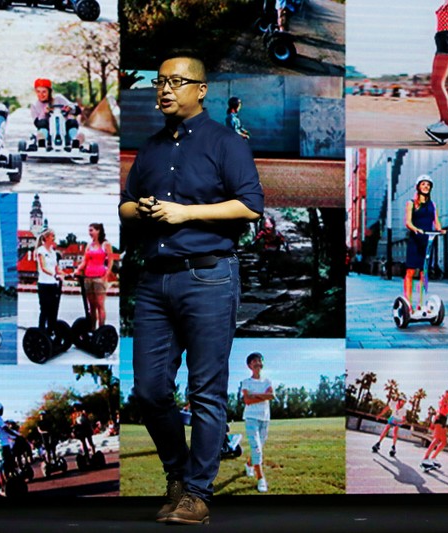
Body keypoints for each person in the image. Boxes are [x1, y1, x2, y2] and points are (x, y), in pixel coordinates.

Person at [119, 52, 264, 525]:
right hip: (155, 279)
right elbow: (123, 207)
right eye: (160, 81)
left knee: (206, 391)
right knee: (149, 390)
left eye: (176, 82)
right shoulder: (150, 149)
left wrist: (185, 213)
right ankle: (178, 476)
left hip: (209, 276)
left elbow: (249, 208)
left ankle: (197, 495)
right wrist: (141, 209)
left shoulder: (227, 143)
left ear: (201, 90)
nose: (164, 89)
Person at [424, 0, 448, 143]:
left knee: (438, 84)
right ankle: (443, 122)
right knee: (434, 84)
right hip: (441, 41)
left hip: (446, 40)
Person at [404, 175, 445, 312]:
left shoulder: (432, 205)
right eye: (423, 184)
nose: (426, 186)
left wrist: (440, 229)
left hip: (427, 240)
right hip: (415, 239)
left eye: (428, 184)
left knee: (424, 273)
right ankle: (408, 304)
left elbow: (436, 221)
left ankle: (420, 304)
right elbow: (408, 222)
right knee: (410, 271)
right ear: (418, 187)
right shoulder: (411, 203)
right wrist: (416, 229)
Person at [240, 352, 275, 493]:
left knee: (259, 447)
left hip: (265, 418)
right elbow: (247, 401)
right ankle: (261, 478)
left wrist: (254, 395)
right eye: (254, 361)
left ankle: (249, 465)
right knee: (256, 448)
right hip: (250, 418)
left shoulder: (267, 381)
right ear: (249, 365)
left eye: (260, 360)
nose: (258, 363)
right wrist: (263, 396)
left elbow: (272, 395)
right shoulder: (246, 382)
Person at [74, 223, 112, 330]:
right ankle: (92, 329)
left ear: (98, 231)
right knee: (91, 306)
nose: (90, 233)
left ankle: (101, 330)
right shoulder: (89, 246)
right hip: (88, 277)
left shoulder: (105, 244)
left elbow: (110, 261)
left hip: (99, 277)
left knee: (100, 305)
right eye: (89, 230)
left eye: (91, 230)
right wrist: (77, 270)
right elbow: (84, 261)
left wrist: (106, 275)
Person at [30, 78, 84, 150]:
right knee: (43, 123)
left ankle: (75, 140)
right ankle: (42, 141)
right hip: (48, 133)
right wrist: (44, 113)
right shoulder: (34, 105)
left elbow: (77, 110)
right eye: (38, 92)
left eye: (44, 92)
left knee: (72, 122)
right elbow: (37, 123)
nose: (41, 94)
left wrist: (70, 108)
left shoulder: (58, 98)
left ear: (49, 92)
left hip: (64, 130)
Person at [35, 228, 63, 334]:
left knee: (53, 310)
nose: (54, 238)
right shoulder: (41, 251)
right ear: (46, 238)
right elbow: (43, 267)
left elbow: (56, 267)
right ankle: (41, 331)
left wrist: (64, 274)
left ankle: (51, 330)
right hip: (44, 284)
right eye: (52, 236)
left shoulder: (53, 252)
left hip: (53, 284)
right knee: (45, 309)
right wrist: (54, 275)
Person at [420, 388, 448, 470]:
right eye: (447, 392)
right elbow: (440, 411)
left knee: (444, 442)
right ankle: (425, 458)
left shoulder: (447, 402)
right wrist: (433, 422)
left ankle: (433, 458)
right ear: (445, 392)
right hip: (439, 419)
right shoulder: (443, 399)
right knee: (436, 439)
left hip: (444, 420)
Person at [0, 402, 21, 496]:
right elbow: (6, 429)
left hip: (1, 445)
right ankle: (7, 484)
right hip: (3, 445)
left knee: (5, 464)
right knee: (5, 464)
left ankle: (6, 483)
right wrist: (16, 435)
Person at [253, 215, 289, 285]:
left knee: (274, 263)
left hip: (274, 250)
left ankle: (272, 273)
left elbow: (283, 240)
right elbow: (257, 238)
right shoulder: (264, 232)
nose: (268, 227)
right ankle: (260, 272)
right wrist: (253, 242)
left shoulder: (276, 232)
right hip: (266, 250)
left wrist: (286, 247)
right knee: (261, 261)